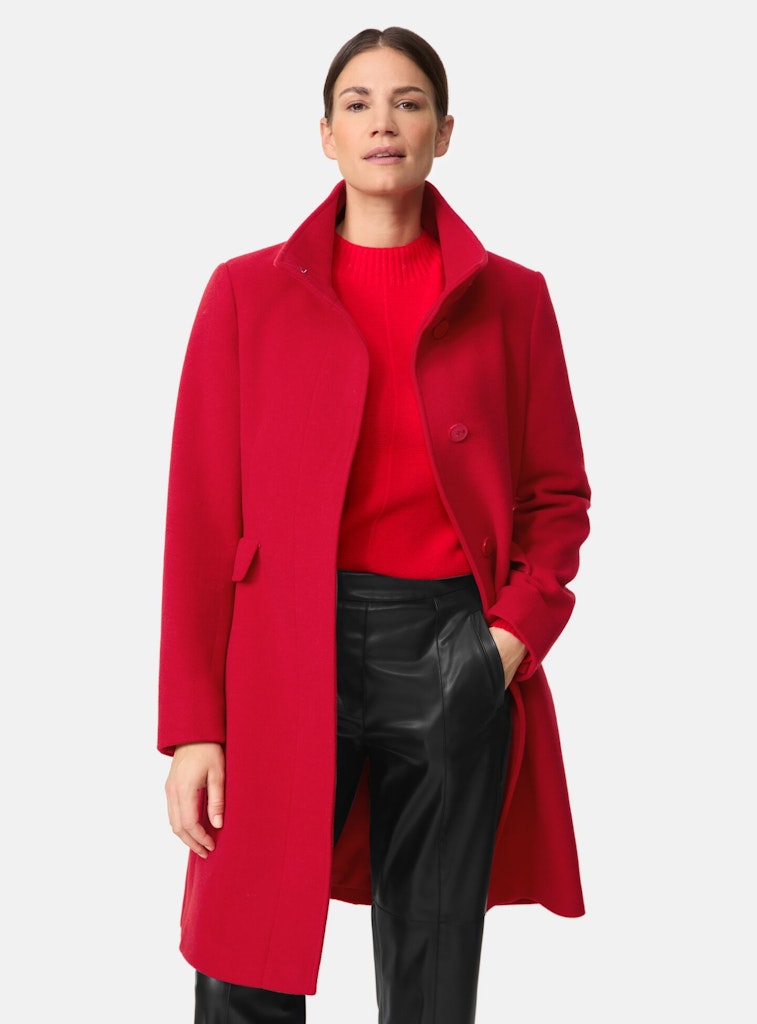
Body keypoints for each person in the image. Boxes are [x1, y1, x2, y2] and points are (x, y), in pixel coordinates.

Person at [158, 25, 591, 1024]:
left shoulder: (512, 299)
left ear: (444, 131)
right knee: (244, 957)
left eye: (407, 102)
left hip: (452, 651)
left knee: (431, 970)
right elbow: (199, 516)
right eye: (357, 103)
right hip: (281, 653)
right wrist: (193, 728)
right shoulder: (245, 294)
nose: (382, 122)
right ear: (326, 135)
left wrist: (503, 645)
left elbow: (556, 497)